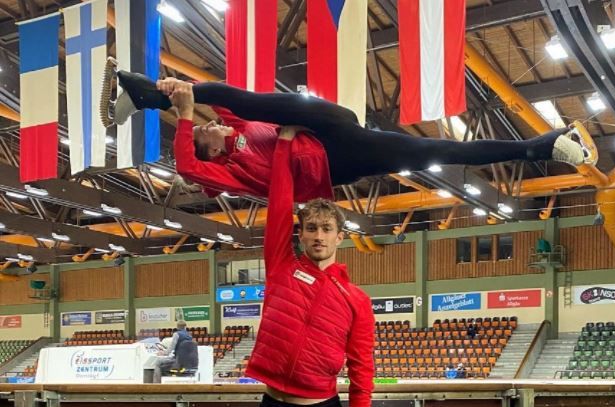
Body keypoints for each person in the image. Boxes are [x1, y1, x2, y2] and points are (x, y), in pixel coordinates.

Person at [112, 72, 586, 201]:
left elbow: (234, 103)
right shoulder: (227, 170)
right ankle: (540, 148)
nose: (213, 125)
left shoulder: (234, 129)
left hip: (326, 128)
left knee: (258, 100)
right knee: (439, 150)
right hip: (332, 162)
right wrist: (188, 116)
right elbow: (190, 167)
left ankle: (146, 94)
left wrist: (181, 98)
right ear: (208, 149)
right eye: (206, 130)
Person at [242, 127, 374, 407]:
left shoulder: (357, 300)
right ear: (300, 234)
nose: (318, 236)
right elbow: (278, 204)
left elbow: (362, 366)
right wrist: (285, 143)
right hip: (272, 400)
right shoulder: (281, 266)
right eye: (311, 228)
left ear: (340, 237)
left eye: (327, 229)